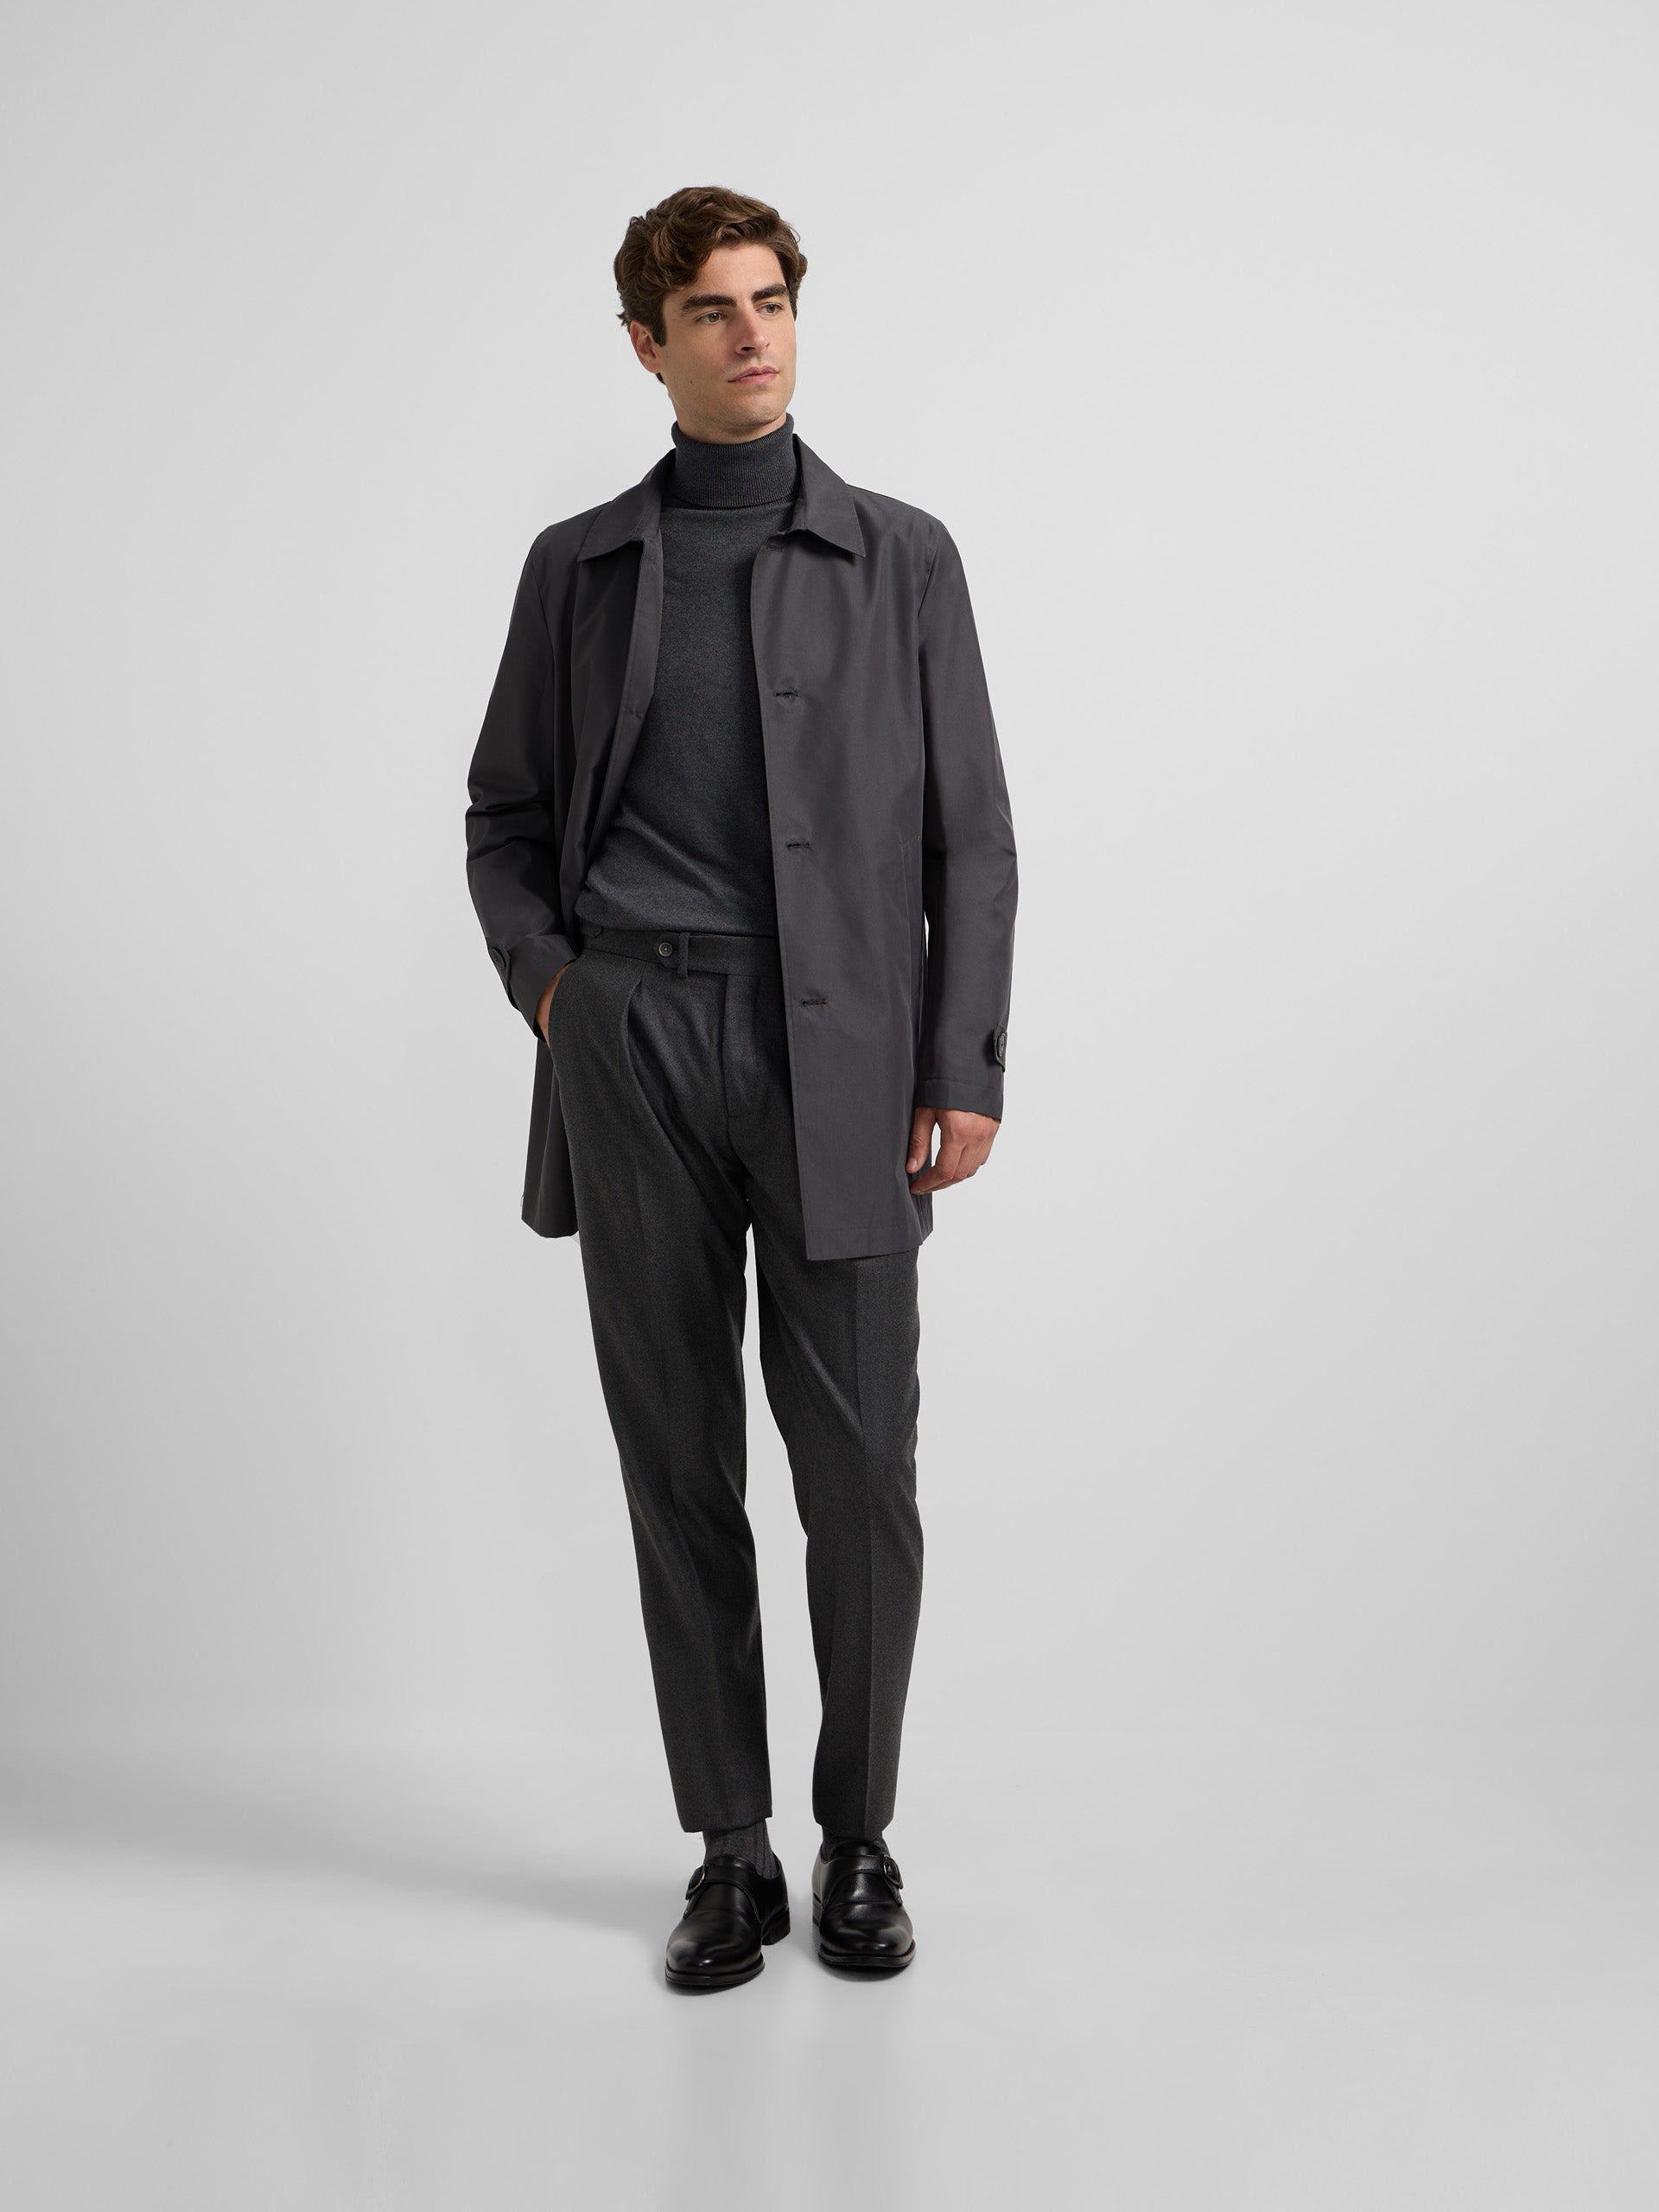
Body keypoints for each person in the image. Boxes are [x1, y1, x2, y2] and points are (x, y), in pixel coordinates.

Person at [464, 185, 1017, 1991]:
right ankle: (731, 1849)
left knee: (860, 1473)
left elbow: (972, 835)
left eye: (771, 299)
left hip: (842, 1053)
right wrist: (558, 990)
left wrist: (962, 1061)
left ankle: (859, 1840)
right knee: (678, 1461)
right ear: (648, 344)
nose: (752, 333)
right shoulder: (579, 567)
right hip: (634, 1041)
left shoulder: (900, 556)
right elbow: (503, 817)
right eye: (710, 310)